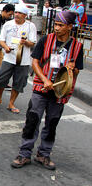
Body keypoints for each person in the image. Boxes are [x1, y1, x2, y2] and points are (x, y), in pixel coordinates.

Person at [11, 11, 83, 170]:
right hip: (41, 87)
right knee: (32, 120)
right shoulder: (46, 39)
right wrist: (45, 79)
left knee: (52, 123)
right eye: (56, 24)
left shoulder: (78, 46)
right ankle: (24, 153)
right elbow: (35, 62)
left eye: (61, 25)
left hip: (60, 92)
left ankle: (43, 154)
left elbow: (77, 70)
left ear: (70, 27)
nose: (56, 28)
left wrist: (73, 69)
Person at [0, 5, 37, 114]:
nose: (16, 15)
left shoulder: (30, 26)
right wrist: (6, 48)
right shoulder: (8, 24)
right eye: (16, 13)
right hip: (8, 58)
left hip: (23, 60)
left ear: (25, 15)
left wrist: (25, 42)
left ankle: (11, 103)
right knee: (0, 80)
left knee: (19, 82)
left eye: (20, 13)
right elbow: (1, 40)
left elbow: (32, 43)